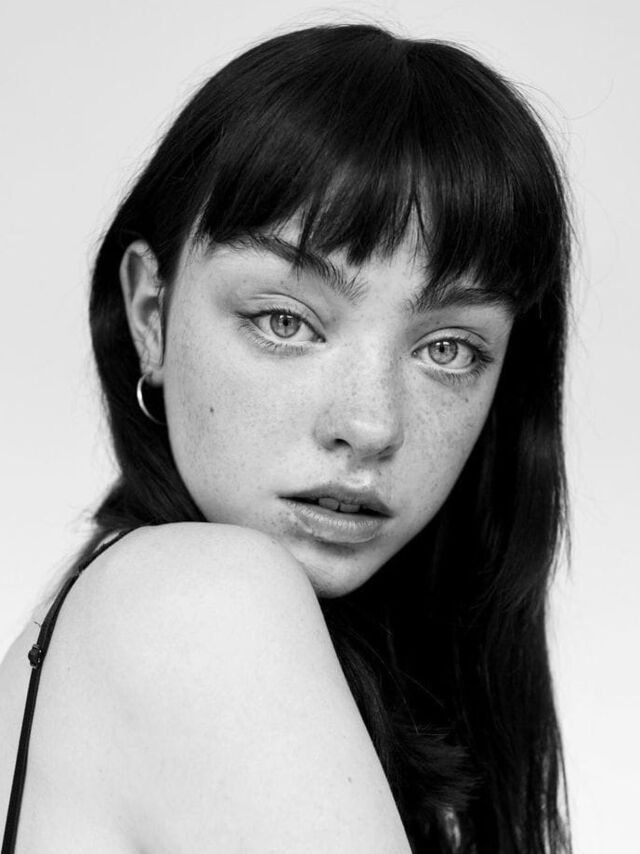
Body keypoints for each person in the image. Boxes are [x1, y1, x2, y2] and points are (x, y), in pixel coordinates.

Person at [0, 22, 572, 854]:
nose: (370, 425)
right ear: (151, 313)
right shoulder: (196, 603)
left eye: (449, 349)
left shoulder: (103, 618)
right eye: (285, 320)